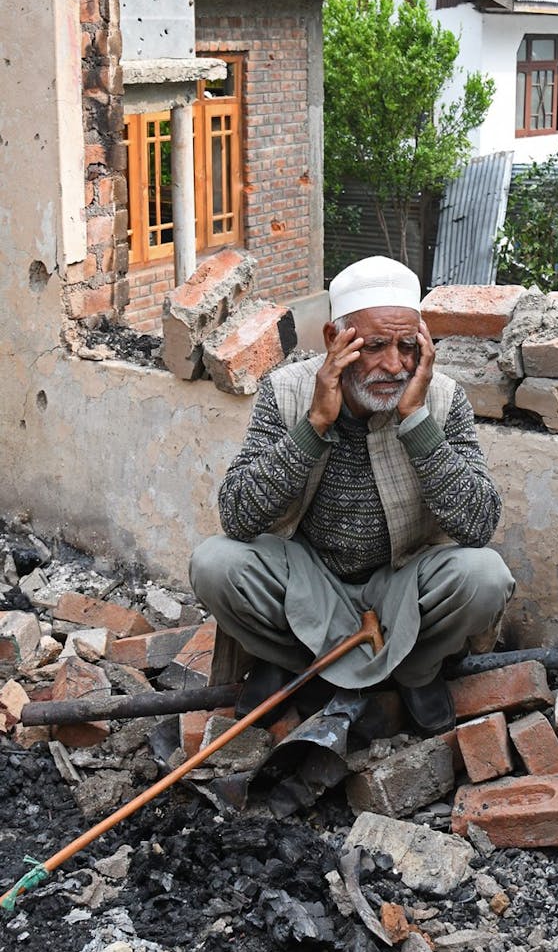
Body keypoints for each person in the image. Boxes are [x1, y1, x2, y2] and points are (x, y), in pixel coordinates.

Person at [190, 256, 514, 735]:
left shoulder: (442, 399)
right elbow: (237, 516)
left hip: (402, 581)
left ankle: (415, 671)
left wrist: (417, 423)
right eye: (375, 345)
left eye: (408, 347)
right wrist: (315, 424)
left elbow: (479, 524)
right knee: (215, 565)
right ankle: (289, 660)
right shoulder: (287, 392)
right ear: (333, 340)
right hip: (308, 581)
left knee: (485, 577)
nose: (395, 364)